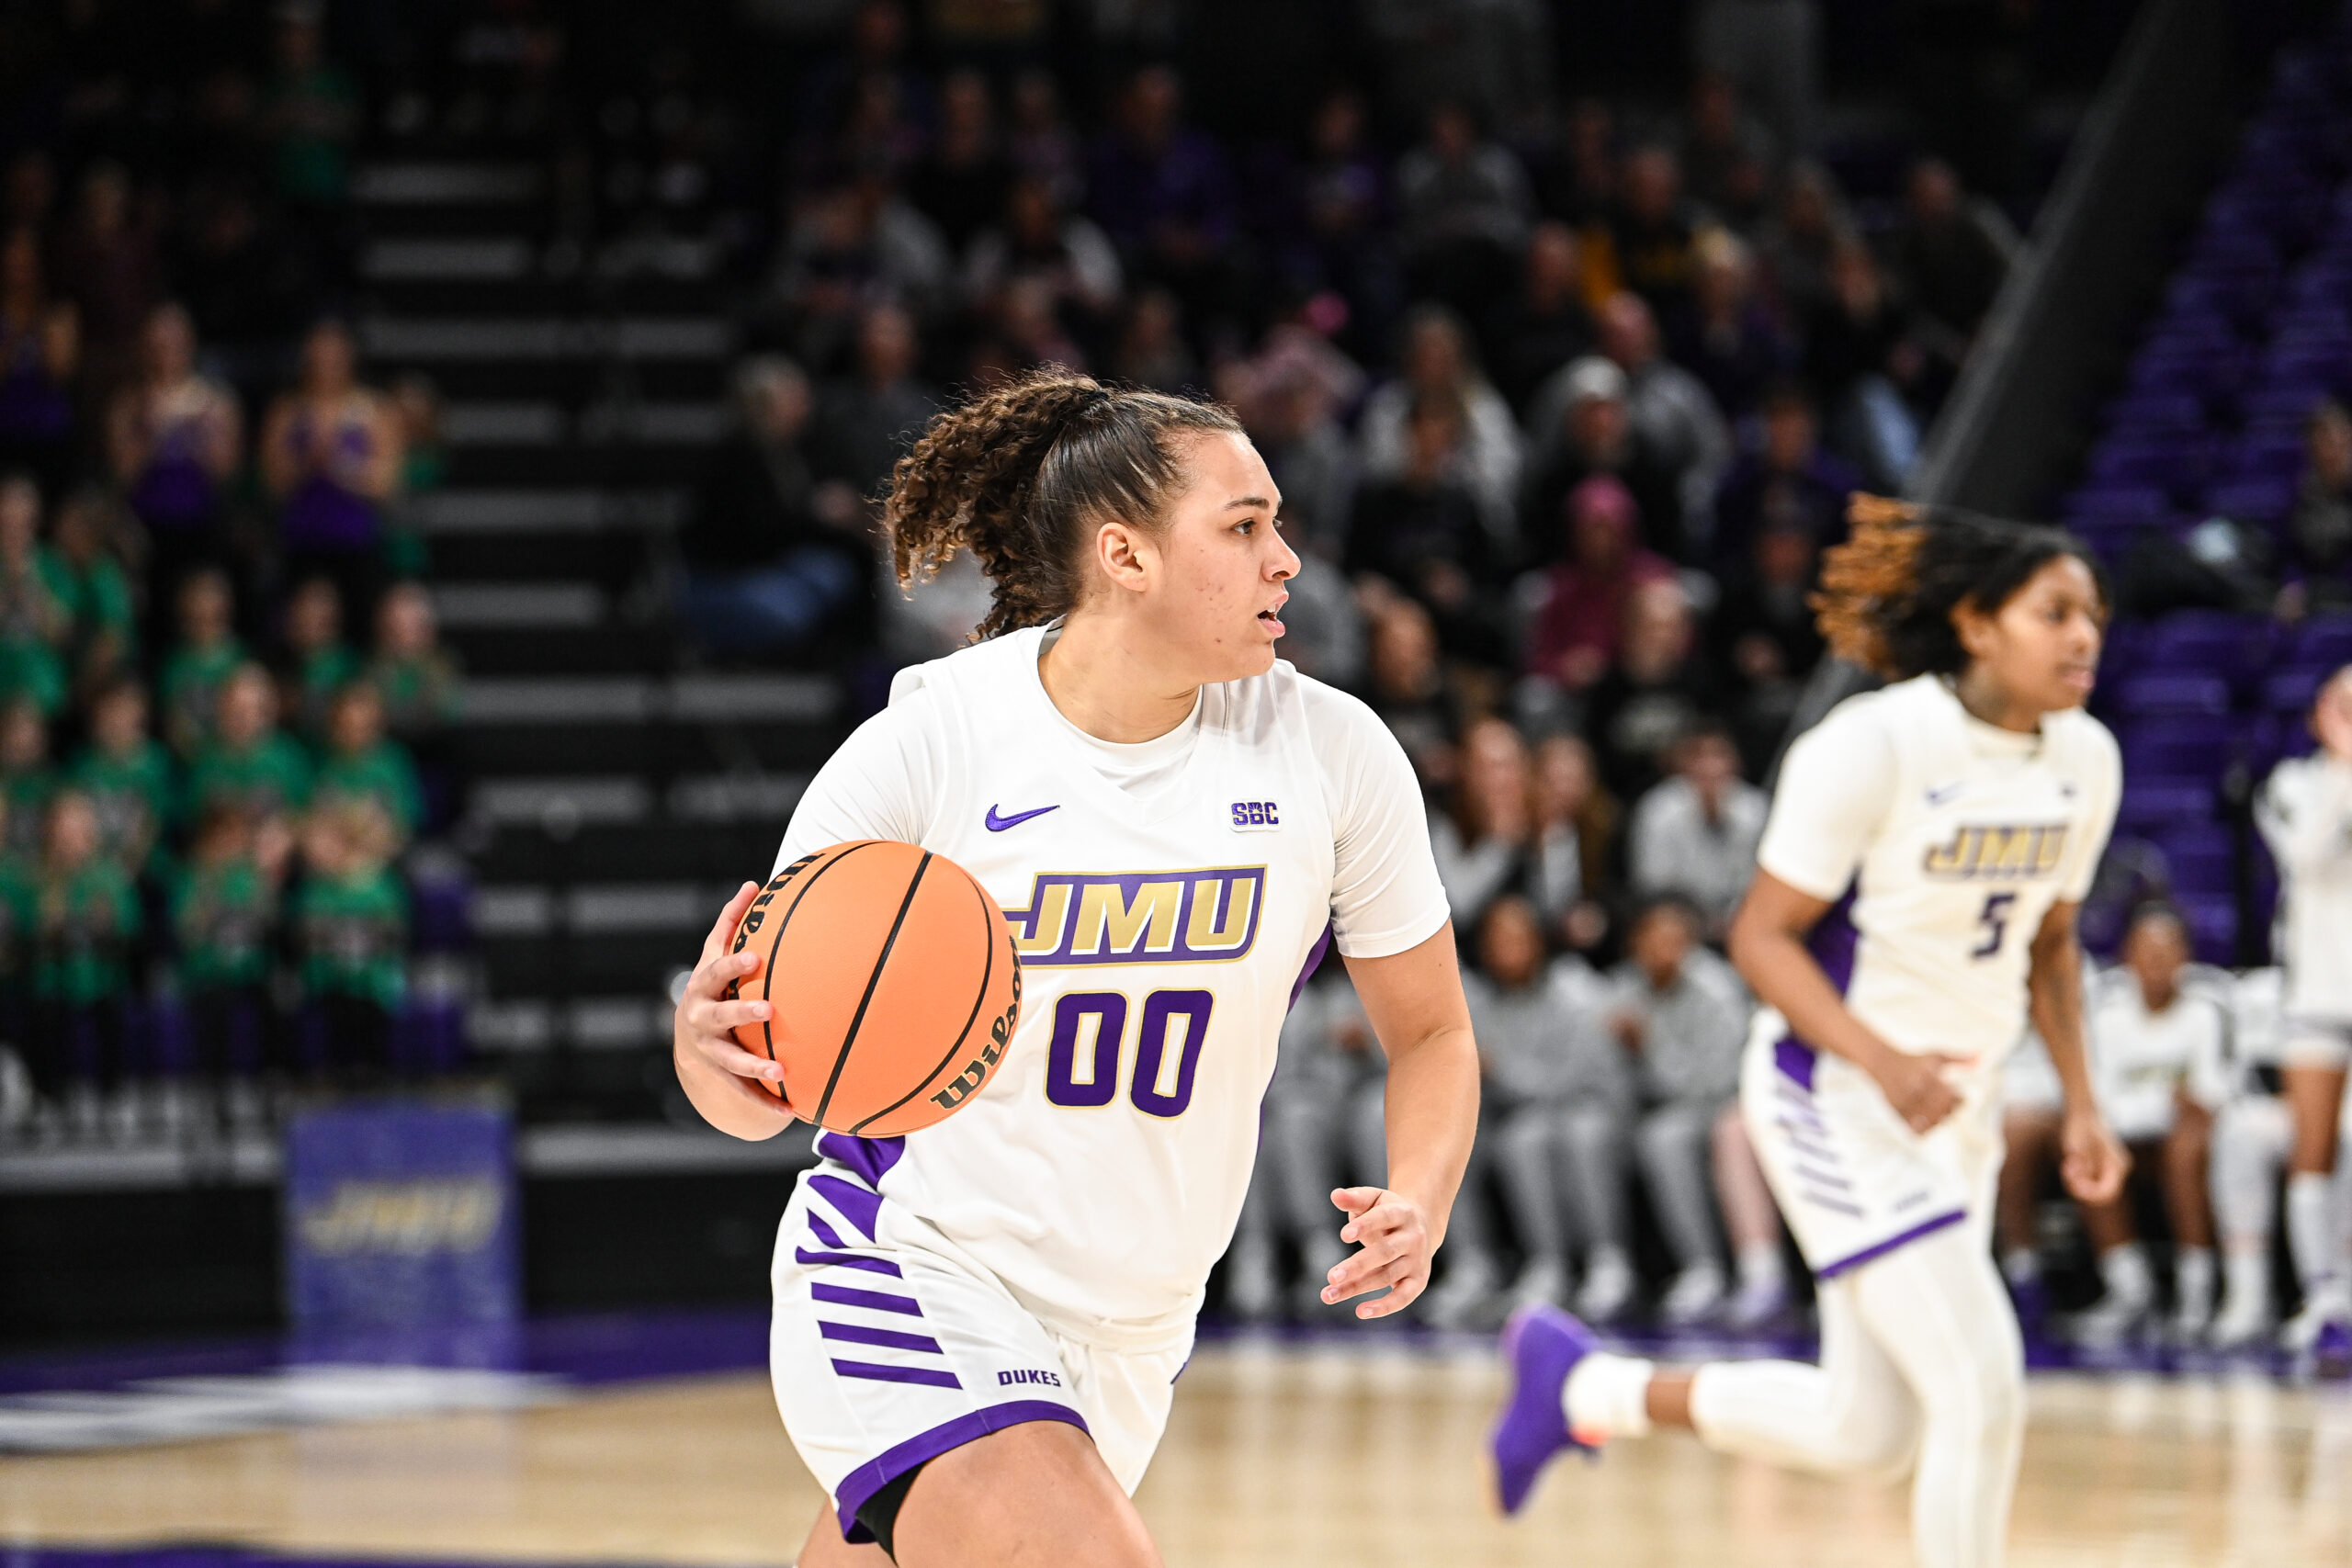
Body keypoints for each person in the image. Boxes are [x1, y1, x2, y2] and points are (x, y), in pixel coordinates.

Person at [669, 369, 1479, 1566]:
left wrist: (1423, 1189)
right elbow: (758, 1078)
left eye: (1280, 523)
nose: (1287, 561)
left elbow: (1433, 1034)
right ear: (1126, 555)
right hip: (913, 1257)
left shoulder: (1335, 756)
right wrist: (716, 1057)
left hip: (1135, 1324)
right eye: (1245, 526)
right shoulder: (935, 739)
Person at [1495, 495, 2128, 1568]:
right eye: (2055, 612)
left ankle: (1587, 1388)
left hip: (1954, 1110)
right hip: (1832, 1097)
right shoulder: (1875, 744)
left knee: (1868, 1429)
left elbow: (2052, 944)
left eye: (2094, 617)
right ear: (1975, 624)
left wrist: (2080, 1101)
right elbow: (1760, 940)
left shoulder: (2086, 760)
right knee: (1979, 1380)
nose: (2084, 637)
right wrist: (1880, 1064)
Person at [2063, 904, 2231, 1345]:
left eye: (2167, 953)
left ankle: (2198, 1296)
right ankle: (2129, 1292)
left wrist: (2161, 1105)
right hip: (2132, 1137)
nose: (2157, 963)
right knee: (2088, 1151)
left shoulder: (2207, 1006)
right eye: (2146, 953)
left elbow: (2210, 1100)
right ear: (2126, 957)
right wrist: (2163, 1100)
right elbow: (2099, 1100)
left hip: (2198, 1142)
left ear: (2185, 958)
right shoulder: (2107, 1010)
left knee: (2185, 1146)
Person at [1608, 897, 1780, 1325]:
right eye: (1653, 938)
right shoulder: (1623, 991)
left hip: (1722, 1104)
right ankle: (1696, 1270)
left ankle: (1756, 1272)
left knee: (1701, 1133)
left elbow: (1718, 1081)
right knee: (1646, 1136)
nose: (1663, 948)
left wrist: (1647, 1049)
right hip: (1660, 1111)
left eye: (1674, 937)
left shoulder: (1716, 989)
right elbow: (1610, 1078)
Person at [2252, 663, 2352, 1358]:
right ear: (2320, 710)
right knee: (2311, 1152)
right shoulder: (2289, 785)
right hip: (2316, 997)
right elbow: (2309, 858)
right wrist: (2346, 768)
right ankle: (2322, 1296)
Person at [1468, 895, 1629, 1315]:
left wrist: (1500, 1071)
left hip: (1595, 1105)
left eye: (1518, 936)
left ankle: (1607, 1260)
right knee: (1522, 1139)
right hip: (1530, 1113)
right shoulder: (1481, 1000)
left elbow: (1572, 1082)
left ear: (1541, 939)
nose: (1508, 947)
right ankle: (1547, 1263)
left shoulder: (1575, 989)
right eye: (1497, 938)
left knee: (1578, 1133)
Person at [261, 319, 401, 625]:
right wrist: (307, 464)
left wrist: (340, 468)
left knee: (357, 621)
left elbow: (386, 482)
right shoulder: (288, 409)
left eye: (333, 354)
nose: (326, 362)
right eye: (318, 354)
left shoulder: (373, 410)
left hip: (355, 540)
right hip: (301, 539)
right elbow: (272, 481)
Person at [107, 302, 242, 619]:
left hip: (199, 524)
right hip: (146, 527)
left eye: (173, 344)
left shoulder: (214, 401)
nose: (165, 353)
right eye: (157, 345)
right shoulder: (129, 403)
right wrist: (149, 428)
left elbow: (227, 471)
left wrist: (200, 435)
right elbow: (121, 474)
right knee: (151, 610)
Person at [1627, 725, 1769, 937]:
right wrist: (1699, 921)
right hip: (1680, 924)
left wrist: (1734, 918)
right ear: (1683, 763)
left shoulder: (1756, 809)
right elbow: (1653, 886)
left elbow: (1764, 881)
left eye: (1718, 755)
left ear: (1735, 762)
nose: (1709, 767)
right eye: (1699, 756)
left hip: (1742, 921)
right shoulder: (1658, 810)